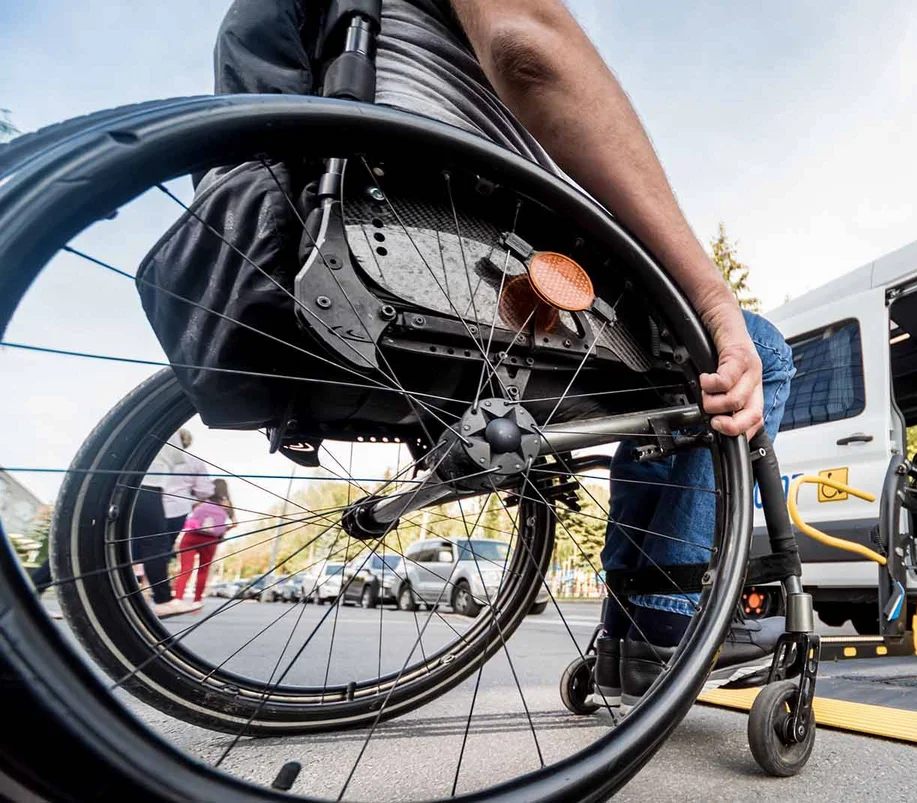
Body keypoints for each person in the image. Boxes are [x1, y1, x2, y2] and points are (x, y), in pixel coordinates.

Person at [214, 0, 794, 703]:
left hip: (368, 225)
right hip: (464, 243)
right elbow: (530, 51)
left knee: (667, 384)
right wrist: (713, 302)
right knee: (756, 348)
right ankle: (660, 623)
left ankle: (624, 637)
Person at [136, 428, 215, 618]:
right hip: (174, 509)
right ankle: (160, 597)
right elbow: (205, 490)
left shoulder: (150, 455)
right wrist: (192, 497)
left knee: (142, 548)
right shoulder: (194, 462)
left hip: (148, 501)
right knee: (158, 550)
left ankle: (147, 590)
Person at [171, 479, 235, 612]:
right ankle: (197, 602)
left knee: (185, 569)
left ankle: (177, 599)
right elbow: (235, 523)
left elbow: (189, 514)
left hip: (191, 537)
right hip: (210, 541)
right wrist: (221, 531)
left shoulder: (201, 500)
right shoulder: (226, 505)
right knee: (203, 570)